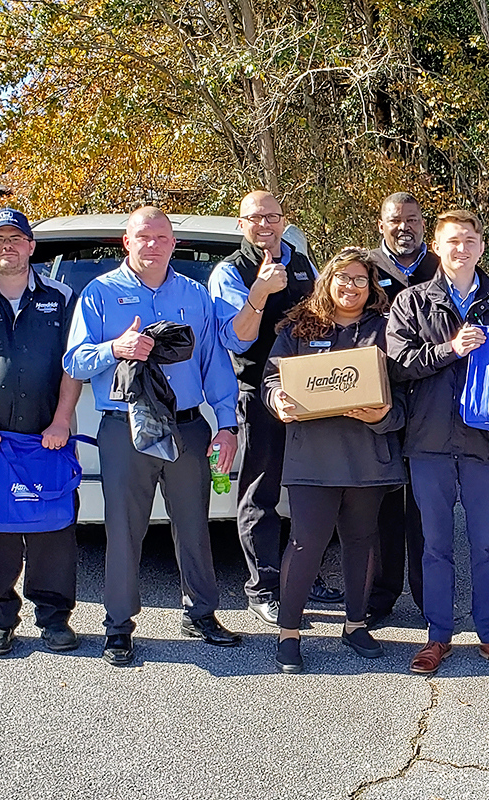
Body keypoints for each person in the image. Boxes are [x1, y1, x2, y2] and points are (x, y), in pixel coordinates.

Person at [65, 206, 242, 667]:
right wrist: (114, 348)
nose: (153, 244)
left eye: (162, 237)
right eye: (143, 236)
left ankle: (201, 613)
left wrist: (226, 424)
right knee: (124, 531)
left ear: (173, 244)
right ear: (127, 242)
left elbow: (215, 364)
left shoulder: (195, 295)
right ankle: (118, 627)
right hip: (125, 426)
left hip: (186, 424)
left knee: (194, 528)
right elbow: (74, 362)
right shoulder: (100, 293)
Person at [386, 209, 489, 676]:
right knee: (435, 546)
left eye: (469, 240)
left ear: (481, 247)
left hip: (483, 444)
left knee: (488, 544)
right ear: (437, 249)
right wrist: (451, 349)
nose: (460, 248)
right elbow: (398, 364)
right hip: (428, 440)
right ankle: (437, 636)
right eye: (451, 241)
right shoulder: (411, 302)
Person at [0, 208, 82, 657]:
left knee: (53, 529)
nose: (8, 245)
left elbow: (73, 364)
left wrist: (62, 420)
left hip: (48, 436)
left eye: (16, 238)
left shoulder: (62, 297)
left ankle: (54, 618)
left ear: (31, 246)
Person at [262, 248, 406, 674]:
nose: (351, 286)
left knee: (362, 542)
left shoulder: (387, 330)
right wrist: (278, 401)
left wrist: (383, 417)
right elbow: (272, 378)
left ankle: (356, 624)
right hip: (312, 458)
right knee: (305, 543)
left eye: (361, 279)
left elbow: (406, 399)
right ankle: (289, 631)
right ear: (327, 280)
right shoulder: (298, 327)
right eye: (342, 277)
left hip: (369, 458)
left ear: (372, 287)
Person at [208, 190, 322, 627]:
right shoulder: (229, 273)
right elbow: (235, 338)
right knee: (262, 492)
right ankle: (263, 588)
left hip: (308, 390)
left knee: (310, 487)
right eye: (254, 218)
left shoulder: (301, 261)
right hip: (259, 393)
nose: (264, 225)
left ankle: (303, 576)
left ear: (283, 220)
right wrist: (258, 294)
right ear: (242, 224)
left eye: (271, 217)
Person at [366, 192, 438, 621]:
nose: (403, 227)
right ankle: (381, 593)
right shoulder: (366, 270)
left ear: (423, 225)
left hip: (430, 403)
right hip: (380, 403)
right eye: (395, 220)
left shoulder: (444, 267)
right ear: (381, 225)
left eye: (411, 219)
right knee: (383, 507)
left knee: (427, 509)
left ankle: (430, 597)